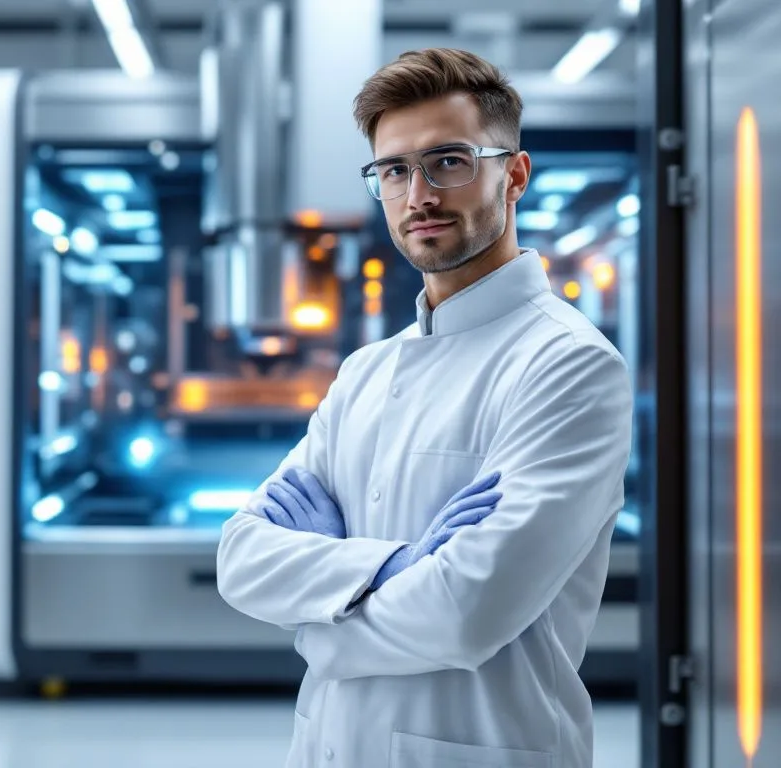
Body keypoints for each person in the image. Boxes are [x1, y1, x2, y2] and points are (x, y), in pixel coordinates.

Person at [215, 47, 634, 768]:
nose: (419, 196)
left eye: (449, 161)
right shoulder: (365, 373)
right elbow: (241, 559)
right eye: (395, 171)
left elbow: (467, 613)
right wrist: (404, 563)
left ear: (515, 176)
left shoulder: (568, 365)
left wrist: (315, 620)